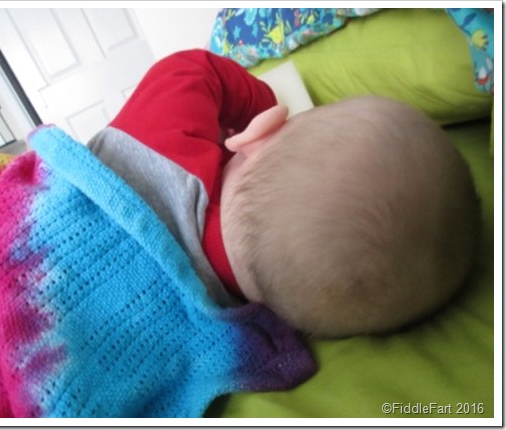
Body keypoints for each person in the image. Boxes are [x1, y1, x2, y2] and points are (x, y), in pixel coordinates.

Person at [88, 49, 480, 338]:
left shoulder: (166, 159)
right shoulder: (223, 329)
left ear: (258, 134)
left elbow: (191, 68)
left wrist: (261, 106)